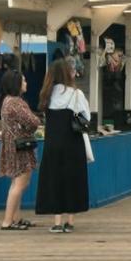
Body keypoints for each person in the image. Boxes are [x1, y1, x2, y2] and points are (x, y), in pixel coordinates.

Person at [34, 59, 89, 233]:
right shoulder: (76, 94)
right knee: (72, 179)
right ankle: (70, 222)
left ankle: (57, 222)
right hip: (73, 143)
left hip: (52, 144)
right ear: (67, 74)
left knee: (54, 179)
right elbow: (86, 117)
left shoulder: (46, 94)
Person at [0, 70, 39, 231]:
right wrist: (34, 122)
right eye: (23, 81)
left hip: (11, 145)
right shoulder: (16, 102)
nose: (26, 83)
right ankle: (7, 221)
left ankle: (16, 218)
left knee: (16, 182)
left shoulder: (6, 101)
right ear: (16, 84)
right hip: (20, 147)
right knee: (20, 183)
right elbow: (33, 121)